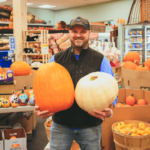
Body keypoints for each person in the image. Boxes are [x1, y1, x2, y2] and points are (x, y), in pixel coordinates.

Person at [34, 16, 118, 150]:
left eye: (82, 31)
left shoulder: (101, 60)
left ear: (89, 34)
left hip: (90, 125)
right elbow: (44, 85)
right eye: (74, 31)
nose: (78, 35)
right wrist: (39, 104)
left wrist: (110, 110)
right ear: (69, 33)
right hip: (61, 124)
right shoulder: (56, 59)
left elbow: (112, 88)